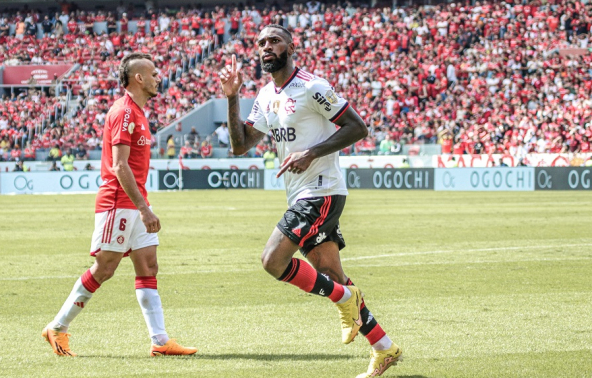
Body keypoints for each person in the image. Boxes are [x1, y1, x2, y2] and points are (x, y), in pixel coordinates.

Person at [219, 25, 401, 378]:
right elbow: (240, 145)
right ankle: (384, 347)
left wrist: (311, 152)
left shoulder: (313, 87)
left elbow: (357, 127)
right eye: (260, 44)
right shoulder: (265, 96)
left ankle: (345, 300)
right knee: (333, 276)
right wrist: (231, 97)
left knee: (272, 260)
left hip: (321, 190)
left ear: (291, 46)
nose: (266, 47)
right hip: (300, 192)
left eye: (274, 41)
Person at [43, 53, 196, 358]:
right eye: (153, 73)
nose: (157, 78)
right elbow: (119, 166)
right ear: (138, 78)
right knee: (105, 267)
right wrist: (143, 208)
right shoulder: (124, 111)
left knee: (148, 265)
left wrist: (142, 205)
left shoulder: (138, 111)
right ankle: (57, 327)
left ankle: (160, 341)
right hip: (119, 202)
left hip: (135, 202)